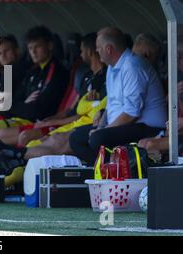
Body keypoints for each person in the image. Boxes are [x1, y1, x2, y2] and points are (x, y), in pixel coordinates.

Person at [0, 33, 107, 173]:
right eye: (30, 48)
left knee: (25, 137)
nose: (33, 51)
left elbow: (37, 109)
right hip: (48, 120)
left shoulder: (57, 71)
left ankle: (10, 171)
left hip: (45, 121)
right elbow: (9, 103)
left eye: (37, 47)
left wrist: (48, 119)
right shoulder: (33, 71)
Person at [69, 27, 167, 165]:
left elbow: (131, 114)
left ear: (109, 49)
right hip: (127, 125)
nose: (96, 51)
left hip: (148, 127)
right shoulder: (112, 67)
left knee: (98, 139)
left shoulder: (133, 66)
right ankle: (108, 170)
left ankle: (119, 171)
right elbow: (111, 105)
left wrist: (104, 131)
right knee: (76, 138)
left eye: (98, 47)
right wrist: (100, 127)